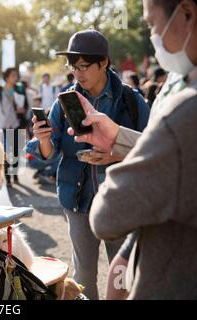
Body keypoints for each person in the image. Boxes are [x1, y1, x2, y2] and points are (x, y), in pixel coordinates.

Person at [68, 0, 197, 300]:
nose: (153, 37)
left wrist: (121, 155)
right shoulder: (179, 81)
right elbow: (166, 155)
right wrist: (119, 139)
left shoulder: (186, 107)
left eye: (152, 24)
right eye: (73, 67)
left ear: (187, 14)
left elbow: (108, 214)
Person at [30, 30, 151, 299]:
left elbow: (154, 149)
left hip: (120, 200)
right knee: (83, 274)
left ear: (104, 63)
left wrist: (116, 155)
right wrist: (43, 138)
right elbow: (50, 153)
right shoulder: (64, 102)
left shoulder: (131, 100)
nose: (78, 73)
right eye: (73, 66)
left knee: (122, 272)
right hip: (77, 199)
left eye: (84, 66)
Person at [0, 67, 29, 187]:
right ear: (7, 77)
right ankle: (7, 177)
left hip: (16, 123)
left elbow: (26, 105)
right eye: (13, 75)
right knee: (5, 152)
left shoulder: (19, 88)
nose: (15, 78)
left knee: (16, 151)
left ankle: (15, 175)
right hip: (3, 125)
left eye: (16, 75)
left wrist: (23, 110)